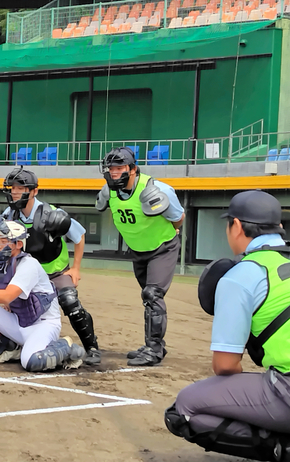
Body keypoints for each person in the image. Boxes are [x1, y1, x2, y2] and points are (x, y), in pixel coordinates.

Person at [165, 190, 290, 462]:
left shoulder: (243, 274)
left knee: (184, 410)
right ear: (279, 228)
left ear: (235, 226)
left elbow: (226, 365)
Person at [0, 167, 101, 365]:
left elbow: (79, 236)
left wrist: (76, 268)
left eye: (21, 188)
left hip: (53, 271)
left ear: (34, 191)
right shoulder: (9, 215)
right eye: (13, 188)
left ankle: (91, 347)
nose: (15, 192)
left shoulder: (53, 214)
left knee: (69, 300)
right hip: (22, 273)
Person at [0, 218, 86, 371]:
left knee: (32, 361)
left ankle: (68, 348)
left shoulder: (29, 264)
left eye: (3, 241)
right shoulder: (1, 266)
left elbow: (7, 296)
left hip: (43, 324)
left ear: (19, 244)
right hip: (19, 321)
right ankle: (10, 348)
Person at [96, 147, 184, 366]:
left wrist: (171, 233)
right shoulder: (109, 191)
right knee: (148, 299)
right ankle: (153, 345)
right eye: (111, 169)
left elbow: (178, 217)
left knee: (153, 294)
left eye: (119, 168)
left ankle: (153, 350)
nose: (114, 173)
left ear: (133, 169)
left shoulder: (156, 189)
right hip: (138, 251)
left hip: (162, 248)